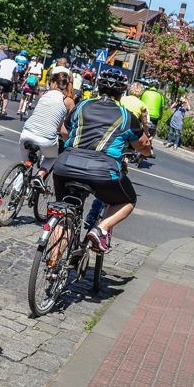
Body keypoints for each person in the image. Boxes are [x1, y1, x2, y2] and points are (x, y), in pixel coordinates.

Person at [52, 69, 152, 253]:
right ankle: (100, 229)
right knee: (128, 200)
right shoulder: (126, 115)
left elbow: (64, 132)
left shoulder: (81, 106)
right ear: (122, 93)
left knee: (64, 212)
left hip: (65, 164)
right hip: (102, 171)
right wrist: (146, 152)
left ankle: (52, 266)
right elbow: (144, 145)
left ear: (98, 88)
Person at [19, 69, 77, 187]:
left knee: (24, 164)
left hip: (26, 133)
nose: (49, 85)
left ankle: (16, 189)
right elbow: (67, 126)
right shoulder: (69, 101)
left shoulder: (43, 94)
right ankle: (40, 175)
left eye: (50, 82)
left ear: (55, 83)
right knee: (53, 156)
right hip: (46, 139)